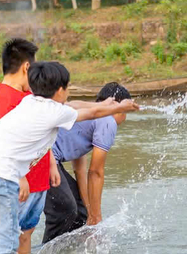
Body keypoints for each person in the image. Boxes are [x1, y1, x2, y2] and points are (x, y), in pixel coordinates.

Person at [0, 62, 139, 254]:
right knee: (5, 242)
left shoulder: (33, 102)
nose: (69, 93)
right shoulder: (53, 113)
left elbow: (79, 106)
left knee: (3, 235)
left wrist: (110, 106)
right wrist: (118, 107)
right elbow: (87, 115)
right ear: (59, 90)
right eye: (67, 87)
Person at [0, 38, 54, 254]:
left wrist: (52, 163)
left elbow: (41, 134)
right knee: (1, 235)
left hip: (38, 181)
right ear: (26, 67)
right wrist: (20, 176)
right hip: (19, 183)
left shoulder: (26, 97)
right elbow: (5, 144)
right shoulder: (5, 98)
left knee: (26, 233)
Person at [42, 82, 131, 244]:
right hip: (43, 157)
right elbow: (96, 172)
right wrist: (97, 218)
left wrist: (90, 212)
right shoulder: (107, 121)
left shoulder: (89, 117)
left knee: (80, 212)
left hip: (47, 157)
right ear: (120, 108)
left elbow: (80, 171)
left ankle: (73, 252)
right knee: (65, 209)